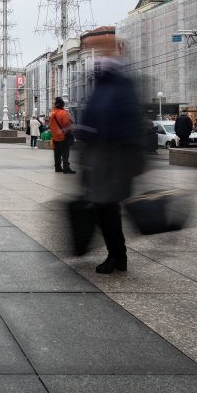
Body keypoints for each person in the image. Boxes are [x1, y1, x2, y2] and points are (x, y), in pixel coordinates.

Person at [77, 59, 144, 274]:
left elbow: (94, 122)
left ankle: (116, 256)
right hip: (110, 158)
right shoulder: (121, 88)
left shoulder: (108, 90)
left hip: (110, 158)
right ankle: (117, 255)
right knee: (108, 208)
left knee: (106, 208)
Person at [49, 97, 75, 174]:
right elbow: (67, 124)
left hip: (55, 137)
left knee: (57, 153)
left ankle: (57, 167)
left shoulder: (52, 113)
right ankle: (66, 167)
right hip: (63, 136)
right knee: (65, 153)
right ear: (62, 104)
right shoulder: (63, 113)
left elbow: (50, 125)